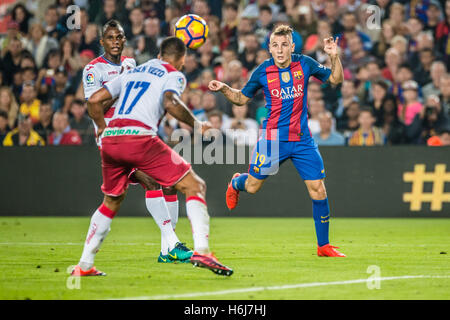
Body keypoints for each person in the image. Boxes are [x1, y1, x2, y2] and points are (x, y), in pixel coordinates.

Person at [72, 36, 233, 277]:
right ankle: (202, 251)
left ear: (159, 55)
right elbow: (170, 102)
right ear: (182, 59)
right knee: (195, 185)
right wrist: (197, 124)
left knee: (111, 201)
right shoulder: (174, 74)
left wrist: (102, 128)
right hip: (140, 138)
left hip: (111, 139)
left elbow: (94, 100)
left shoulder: (132, 71)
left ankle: (84, 265)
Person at [209, 25, 346, 257]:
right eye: (275, 45)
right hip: (273, 139)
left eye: (284, 45)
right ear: (269, 48)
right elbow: (241, 99)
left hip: (302, 139)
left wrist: (334, 57)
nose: (280, 50)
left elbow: (335, 79)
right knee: (252, 186)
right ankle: (236, 183)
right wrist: (224, 88)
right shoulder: (262, 71)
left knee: (318, 189)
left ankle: (323, 246)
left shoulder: (305, 63)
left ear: (292, 47)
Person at [82, 20, 184, 263]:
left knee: (168, 184)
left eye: (119, 37)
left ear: (125, 40)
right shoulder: (93, 70)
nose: (115, 42)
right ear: (102, 42)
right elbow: (93, 104)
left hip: (137, 132)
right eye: (110, 38)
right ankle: (173, 245)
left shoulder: (131, 64)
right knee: (151, 182)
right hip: (112, 138)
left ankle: (166, 250)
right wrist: (117, 91)